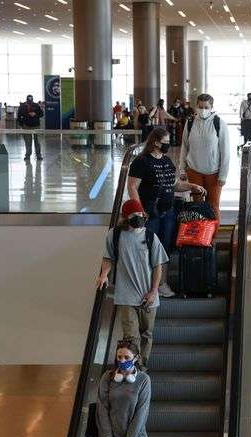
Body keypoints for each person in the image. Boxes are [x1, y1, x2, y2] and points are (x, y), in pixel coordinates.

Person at [127, 127, 206, 298]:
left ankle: (162, 283)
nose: (168, 145)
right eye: (165, 142)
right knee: (147, 248)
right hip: (149, 213)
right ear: (155, 142)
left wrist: (192, 186)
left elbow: (175, 185)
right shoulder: (142, 161)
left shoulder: (167, 161)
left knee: (165, 248)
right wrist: (138, 210)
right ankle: (145, 284)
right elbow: (132, 186)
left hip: (168, 212)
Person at [97, 199, 168, 366]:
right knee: (131, 336)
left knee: (146, 335)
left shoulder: (151, 237)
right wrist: (104, 275)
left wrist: (154, 291)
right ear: (125, 217)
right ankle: (132, 367)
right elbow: (108, 257)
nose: (138, 217)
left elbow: (158, 266)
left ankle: (141, 368)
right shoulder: (115, 235)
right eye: (134, 214)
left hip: (148, 296)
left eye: (140, 214)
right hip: (126, 296)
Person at [178, 93, 232, 220]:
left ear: (211, 107)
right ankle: (199, 237)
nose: (203, 110)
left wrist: (223, 175)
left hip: (213, 173)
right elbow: (184, 146)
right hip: (194, 171)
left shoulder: (219, 123)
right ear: (197, 106)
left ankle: (212, 237)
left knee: (213, 206)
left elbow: (225, 152)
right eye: (201, 107)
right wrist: (182, 169)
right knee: (197, 206)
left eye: (206, 107)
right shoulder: (190, 122)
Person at [18, 94, 44, 160]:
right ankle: (27, 155)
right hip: (26, 126)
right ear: (26, 100)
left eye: (31, 101)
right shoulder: (22, 106)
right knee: (27, 142)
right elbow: (19, 116)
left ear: (32, 100)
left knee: (37, 141)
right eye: (29, 101)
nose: (30, 102)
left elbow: (41, 114)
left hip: (36, 126)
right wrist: (22, 125)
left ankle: (38, 155)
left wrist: (35, 114)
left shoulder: (36, 105)